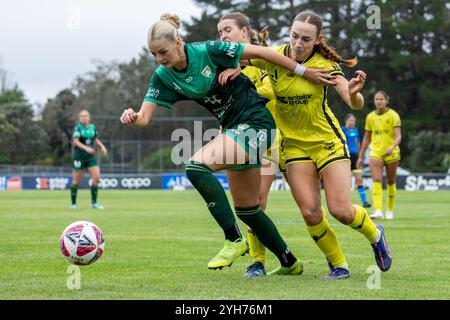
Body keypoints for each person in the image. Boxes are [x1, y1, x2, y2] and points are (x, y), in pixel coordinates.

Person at [120, 13, 334, 274]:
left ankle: (233, 239)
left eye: (162, 51)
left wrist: (304, 70)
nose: (159, 59)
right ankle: (289, 262)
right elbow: (144, 118)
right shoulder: (163, 76)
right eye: (153, 54)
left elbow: (262, 53)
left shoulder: (208, 50)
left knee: (196, 166)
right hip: (234, 130)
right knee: (248, 210)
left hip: (257, 123)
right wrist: (132, 116)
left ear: (178, 42)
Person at [246, 11, 392, 280]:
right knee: (311, 212)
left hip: (327, 142)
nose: (298, 43)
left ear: (318, 40)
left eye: (305, 39)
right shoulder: (275, 56)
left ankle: (375, 234)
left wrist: (357, 93)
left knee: (340, 209)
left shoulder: (325, 64)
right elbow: (238, 54)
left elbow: (352, 102)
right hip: (294, 147)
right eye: (294, 36)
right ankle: (340, 266)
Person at [217, 13, 286, 278]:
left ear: (244, 33)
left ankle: (334, 261)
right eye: (220, 32)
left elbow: (270, 93)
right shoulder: (224, 70)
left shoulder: (265, 63)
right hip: (246, 141)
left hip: (274, 140)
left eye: (228, 30)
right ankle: (258, 261)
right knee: (252, 204)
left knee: (308, 207)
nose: (223, 36)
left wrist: (242, 72)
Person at [357, 91, 402, 220]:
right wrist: (360, 156)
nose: (379, 101)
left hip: (392, 152)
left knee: (391, 181)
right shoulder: (370, 117)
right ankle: (378, 211)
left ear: (386, 100)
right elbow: (367, 138)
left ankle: (389, 210)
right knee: (376, 180)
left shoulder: (393, 115)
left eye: (381, 99)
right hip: (375, 152)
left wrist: (392, 147)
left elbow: (398, 136)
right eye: (376, 99)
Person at [70, 109, 108, 209]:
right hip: (79, 158)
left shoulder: (92, 127)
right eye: (82, 116)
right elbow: (75, 141)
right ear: (79, 118)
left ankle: (94, 203)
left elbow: (95, 139)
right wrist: (86, 148)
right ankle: (73, 204)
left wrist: (102, 146)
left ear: (89, 117)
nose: (84, 117)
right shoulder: (78, 128)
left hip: (90, 158)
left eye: (86, 115)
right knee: (76, 181)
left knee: (96, 177)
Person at [341, 113, 371, 208]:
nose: (352, 122)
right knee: (347, 181)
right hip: (346, 158)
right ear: (346, 121)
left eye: (353, 121)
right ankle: (345, 203)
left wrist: (360, 156)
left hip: (356, 158)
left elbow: (358, 143)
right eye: (350, 120)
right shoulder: (342, 130)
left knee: (359, 180)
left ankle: (364, 202)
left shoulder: (356, 130)